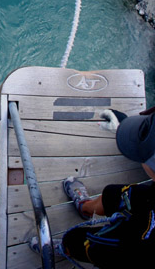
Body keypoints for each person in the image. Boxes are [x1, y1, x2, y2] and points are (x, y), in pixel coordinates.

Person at [30, 108, 155, 268]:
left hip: (138, 246)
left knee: (85, 244)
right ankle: (86, 208)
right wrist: (126, 128)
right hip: (148, 202)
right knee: (113, 194)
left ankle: (64, 248)